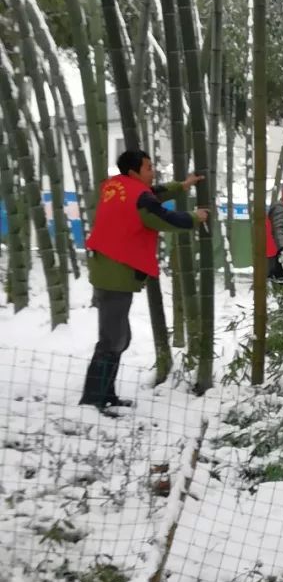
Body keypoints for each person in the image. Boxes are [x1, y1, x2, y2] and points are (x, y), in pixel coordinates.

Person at [80, 150, 207, 414]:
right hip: (116, 274)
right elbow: (162, 216)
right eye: (149, 167)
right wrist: (195, 218)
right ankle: (92, 401)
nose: (153, 171)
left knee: (120, 338)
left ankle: (106, 395)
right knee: (112, 340)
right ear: (134, 172)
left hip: (107, 269)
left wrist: (182, 186)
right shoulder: (139, 197)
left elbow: (150, 195)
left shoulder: (115, 186)